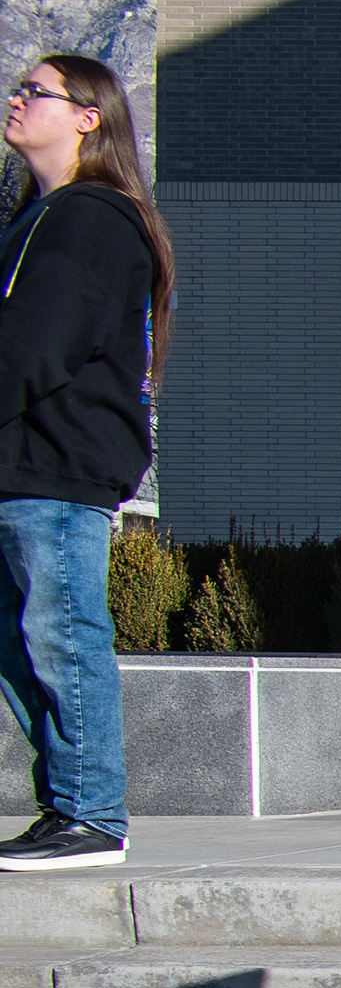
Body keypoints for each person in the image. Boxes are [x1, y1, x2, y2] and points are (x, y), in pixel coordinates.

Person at [0, 53, 170, 871]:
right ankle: (66, 804)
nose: (16, 99)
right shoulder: (33, 219)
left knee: (60, 634)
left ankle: (93, 814)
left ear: (86, 116)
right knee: (21, 642)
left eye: (35, 92)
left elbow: (36, 346)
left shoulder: (91, 217)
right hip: (18, 468)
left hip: (56, 469)